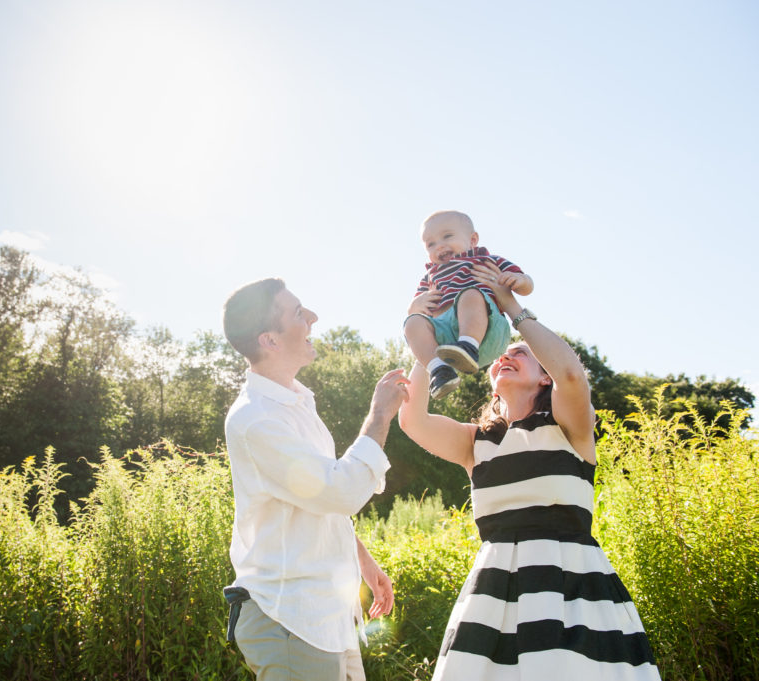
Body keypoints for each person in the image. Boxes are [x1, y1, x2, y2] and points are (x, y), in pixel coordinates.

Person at [397, 259, 661, 680]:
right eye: (501, 355)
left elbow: (571, 374)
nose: (505, 356)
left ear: (543, 378)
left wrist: (512, 310)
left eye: (519, 353)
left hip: (573, 592)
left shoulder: (568, 428)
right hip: (494, 596)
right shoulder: (477, 441)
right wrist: (428, 331)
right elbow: (412, 420)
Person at [221, 277, 409, 681]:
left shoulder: (298, 403)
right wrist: (379, 417)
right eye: (298, 313)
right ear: (269, 339)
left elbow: (317, 498)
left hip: (329, 618)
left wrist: (361, 560)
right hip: (291, 621)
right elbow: (340, 490)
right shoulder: (256, 419)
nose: (313, 318)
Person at [404, 210, 533, 400]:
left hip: (486, 331)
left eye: (447, 236)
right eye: (431, 244)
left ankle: (468, 346)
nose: (439, 246)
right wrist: (415, 306)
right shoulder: (431, 275)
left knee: (470, 293)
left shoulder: (484, 260)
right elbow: (417, 310)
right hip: (445, 341)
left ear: (472, 240)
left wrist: (517, 280)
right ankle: (440, 371)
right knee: (412, 322)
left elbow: (527, 285)